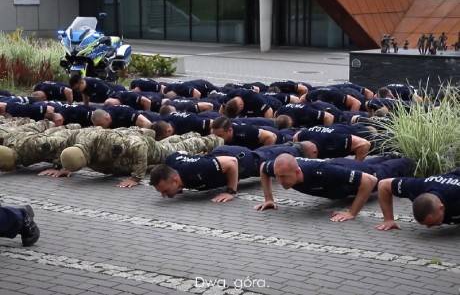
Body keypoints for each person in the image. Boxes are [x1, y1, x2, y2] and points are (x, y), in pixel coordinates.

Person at [254, 154, 414, 222]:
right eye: (277, 176)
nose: (279, 181)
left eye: (284, 177)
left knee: (389, 169)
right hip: (340, 168)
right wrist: (269, 198)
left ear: (297, 172)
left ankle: (410, 159)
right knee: (368, 164)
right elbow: (263, 167)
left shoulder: (320, 172)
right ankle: (391, 155)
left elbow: (369, 181)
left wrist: (352, 212)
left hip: (349, 174)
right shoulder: (278, 168)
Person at [60, 128, 223, 188]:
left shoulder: (105, 144)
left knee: (175, 150)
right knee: (171, 144)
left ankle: (214, 139)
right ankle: (189, 133)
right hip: (128, 145)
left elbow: (139, 146)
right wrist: (63, 167)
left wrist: (136, 178)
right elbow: (65, 143)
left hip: (145, 147)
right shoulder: (79, 141)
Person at [375, 168, 460, 230]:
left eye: (433, 223)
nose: (429, 227)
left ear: (441, 208)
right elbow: (383, 185)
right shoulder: (418, 186)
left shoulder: (455, 198)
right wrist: (388, 219)